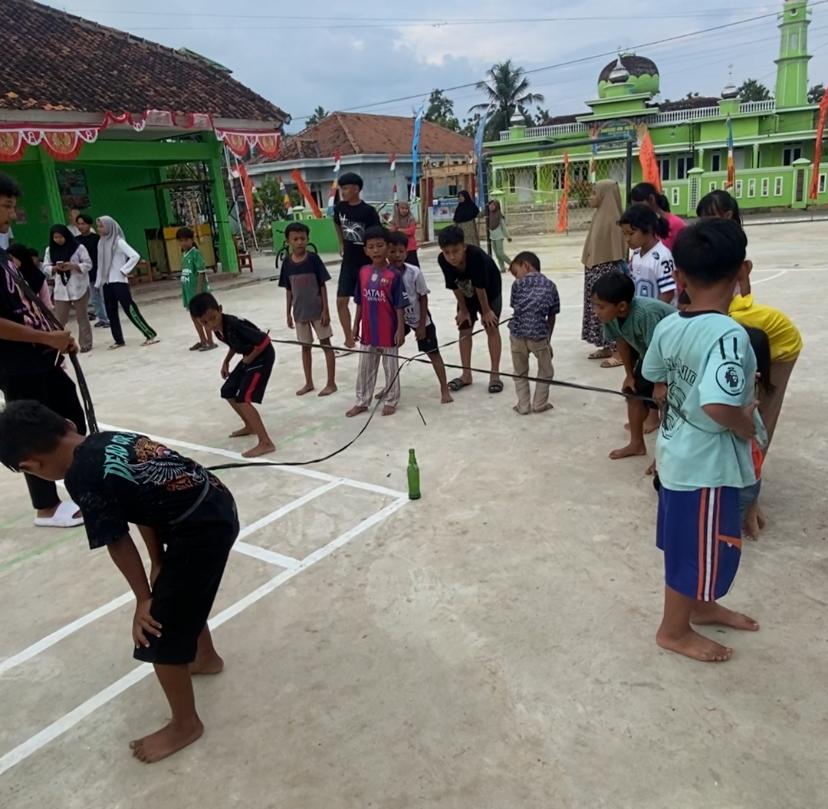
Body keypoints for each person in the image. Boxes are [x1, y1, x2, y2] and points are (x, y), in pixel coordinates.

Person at [0, 400, 239, 764]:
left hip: (199, 530)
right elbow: (138, 505)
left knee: (158, 631)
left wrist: (144, 600)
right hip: (214, 505)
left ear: (31, 467)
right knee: (180, 594)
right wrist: (157, 561)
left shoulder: (81, 478)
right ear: (67, 424)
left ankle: (185, 724)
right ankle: (205, 658)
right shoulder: (107, 439)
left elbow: (117, 539)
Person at [642, 219, 761, 663]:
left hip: (677, 458)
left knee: (692, 545)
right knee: (694, 552)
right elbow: (716, 404)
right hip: (704, 469)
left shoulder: (671, 324)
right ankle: (673, 630)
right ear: (743, 270)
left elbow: (654, 378)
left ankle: (702, 606)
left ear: (680, 277)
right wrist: (745, 425)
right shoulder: (729, 335)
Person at [0, 173, 86, 528]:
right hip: (15, 364)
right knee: (32, 434)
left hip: (41, 357)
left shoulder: (4, 255)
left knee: (70, 416)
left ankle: (86, 484)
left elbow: (27, 304)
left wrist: (55, 337)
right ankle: (46, 507)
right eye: (6, 206)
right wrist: (47, 339)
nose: (11, 214)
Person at [591, 271, 675, 460]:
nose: (596, 311)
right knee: (632, 391)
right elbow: (622, 341)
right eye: (595, 305)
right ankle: (636, 444)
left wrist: (659, 383)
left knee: (667, 402)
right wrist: (629, 375)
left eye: (601, 306)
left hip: (673, 357)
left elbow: (659, 349)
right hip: (650, 356)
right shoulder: (610, 317)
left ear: (621, 306)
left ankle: (665, 458)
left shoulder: (645, 314)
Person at [189, 293, 276, 458]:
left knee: (243, 398)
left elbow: (264, 340)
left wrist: (249, 358)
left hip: (262, 357)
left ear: (220, 310)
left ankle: (266, 442)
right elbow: (234, 344)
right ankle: (250, 425)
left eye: (212, 318)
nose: (210, 324)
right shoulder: (218, 330)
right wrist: (226, 361)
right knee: (228, 390)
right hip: (250, 357)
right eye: (204, 322)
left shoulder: (234, 324)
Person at [346, 226, 405, 418]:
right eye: (371, 247)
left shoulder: (394, 275)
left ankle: (391, 400)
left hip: (388, 330)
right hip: (368, 330)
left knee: (390, 367)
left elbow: (399, 305)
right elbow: (359, 301)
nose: (376, 250)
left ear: (388, 247)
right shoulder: (363, 272)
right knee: (365, 367)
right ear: (365, 250)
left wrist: (400, 329)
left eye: (380, 245)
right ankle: (362, 401)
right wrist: (356, 324)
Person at [387, 231, 452, 404]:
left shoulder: (414, 272)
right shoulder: (385, 274)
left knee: (433, 353)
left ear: (406, 252)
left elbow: (423, 297)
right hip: (397, 319)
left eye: (401, 251)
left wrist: (422, 325)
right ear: (386, 252)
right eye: (392, 251)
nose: (397, 255)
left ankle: (444, 388)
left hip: (418, 317)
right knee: (388, 352)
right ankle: (389, 387)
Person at [437, 225, 503, 394]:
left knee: (491, 327)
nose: (452, 256)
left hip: (489, 291)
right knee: (464, 328)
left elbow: (481, 287)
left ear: (464, 247)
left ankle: (495, 374)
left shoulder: (476, 256)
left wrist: (486, 311)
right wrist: (464, 310)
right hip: (465, 291)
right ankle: (466, 374)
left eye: (456, 251)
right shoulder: (442, 260)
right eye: (447, 252)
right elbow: (454, 286)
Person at [279, 222, 336, 397]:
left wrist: (326, 310)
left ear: (308, 239)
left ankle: (331, 383)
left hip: (318, 311)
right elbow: (289, 290)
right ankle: (309, 382)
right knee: (305, 347)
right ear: (288, 241)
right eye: (295, 239)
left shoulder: (313, 259)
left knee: (326, 345)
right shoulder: (287, 263)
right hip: (299, 313)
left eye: (302, 238)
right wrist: (288, 313)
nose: (299, 242)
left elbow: (322, 285)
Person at [581, 180, 628, 366]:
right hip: (594, 271)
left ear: (604, 195)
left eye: (594, 193)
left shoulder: (613, 220)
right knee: (598, 311)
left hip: (605, 273)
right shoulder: (599, 216)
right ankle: (607, 345)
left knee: (608, 311)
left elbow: (617, 253)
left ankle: (618, 352)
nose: (591, 197)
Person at [96, 216, 159, 349]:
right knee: (111, 311)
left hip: (119, 281)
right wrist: (99, 281)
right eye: (98, 226)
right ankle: (118, 340)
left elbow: (135, 256)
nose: (99, 229)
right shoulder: (101, 242)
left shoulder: (118, 242)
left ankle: (149, 334)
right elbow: (100, 264)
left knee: (129, 308)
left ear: (109, 226)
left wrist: (124, 270)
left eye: (101, 226)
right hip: (107, 282)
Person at [508, 251, 559, 415]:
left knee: (520, 371)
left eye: (516, 272)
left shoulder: (517, 285)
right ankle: (539, 403)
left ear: (525, 265)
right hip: (538, 334)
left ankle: (523, 406)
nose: (516, 277)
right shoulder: (551, 286)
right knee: (546, 370)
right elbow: (552, 316)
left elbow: (515, 306)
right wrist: (548, 339)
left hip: (517, 333)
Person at [333, 172, 380, 347]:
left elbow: (377, 235)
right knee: (341, 301)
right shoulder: (340, 208)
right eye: (341, 189)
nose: (343, 192)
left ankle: (367, 335)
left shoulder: (368, 211)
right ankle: (348, 338)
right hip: (348, 263)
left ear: (356, 189)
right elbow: (336, 223)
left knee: (366, 303)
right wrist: (341, 243)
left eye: (345, 189)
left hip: (366, 264)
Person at [741, 327, 773, 541]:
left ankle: (750, 513)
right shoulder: (749, 386)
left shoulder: (745, 399)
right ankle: (751, 511)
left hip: (745, 468)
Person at [43, 225, 93, 353]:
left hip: (79, 286)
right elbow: (45, 267)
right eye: (55, 237)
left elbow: (88, 264)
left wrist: (74, 266)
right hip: (61, 289)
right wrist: (55, 268)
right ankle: (61, 345)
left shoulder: (78, 247)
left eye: (61, 237)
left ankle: (86, 343)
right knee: (60, 319)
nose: (58, 240)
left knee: (82, 317)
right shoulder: (50, 250)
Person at [619, 204, 676, 304]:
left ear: (648, 229)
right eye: (625, 234)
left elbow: (668, 293)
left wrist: (654, 312)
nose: (627, 239)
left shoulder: (663, 256)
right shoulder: (636, 255)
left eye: (631, 233)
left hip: (659, 312)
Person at [177, 227, 216, 352]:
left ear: (191, 240)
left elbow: (201, 273)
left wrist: (198, 293)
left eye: (185, 240)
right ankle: (202, 340)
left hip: (197, 293)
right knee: (194, 318)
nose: (183, 243)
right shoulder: (184, 255)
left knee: (203, 317)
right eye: (181, 240)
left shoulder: (195, 254)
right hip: (188, 292)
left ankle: (210, 341)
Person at [630, 182, 686, 250]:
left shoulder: (676, 224)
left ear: (651, 199)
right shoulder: (642, 225)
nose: (637, 211)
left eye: (639, 207)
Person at [75, 213, 108, 328]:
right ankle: (102, 318)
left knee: (104, 296)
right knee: (94, 298)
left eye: (83, 224)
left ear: (89, 225)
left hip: (100, 271)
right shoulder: (76, 241)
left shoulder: (97, 239)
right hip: (86, 273)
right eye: (78, 224)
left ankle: (108, 318)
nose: (80, 226)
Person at [7, 244, 51, 311]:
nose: (8, 262)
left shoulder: (37, 276)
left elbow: (46, 303)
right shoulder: (7, 275)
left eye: (11, 259)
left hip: (33, 313)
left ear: (21, 257)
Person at [389, 201, 419, 266]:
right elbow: (392, 230)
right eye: (402, 208)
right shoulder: (395, 219)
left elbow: (411, 231)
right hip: (398, 246)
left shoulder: (411, 219)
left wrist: (400, 230)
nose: (404, 210)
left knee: (412, 265)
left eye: (406, 208)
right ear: (399, 209)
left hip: (410, 246)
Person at [486, 199, 512, 273]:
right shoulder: (489, 214)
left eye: (493, 205)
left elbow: (504, 227)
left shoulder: (499, 215)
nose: (491, 207)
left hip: (499, 236)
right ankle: (502, 268)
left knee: (500, 253)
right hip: (492, 237)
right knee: (497, 255)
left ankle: (512, 264)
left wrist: (508, 236)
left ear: (496, 206)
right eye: (490, 205)